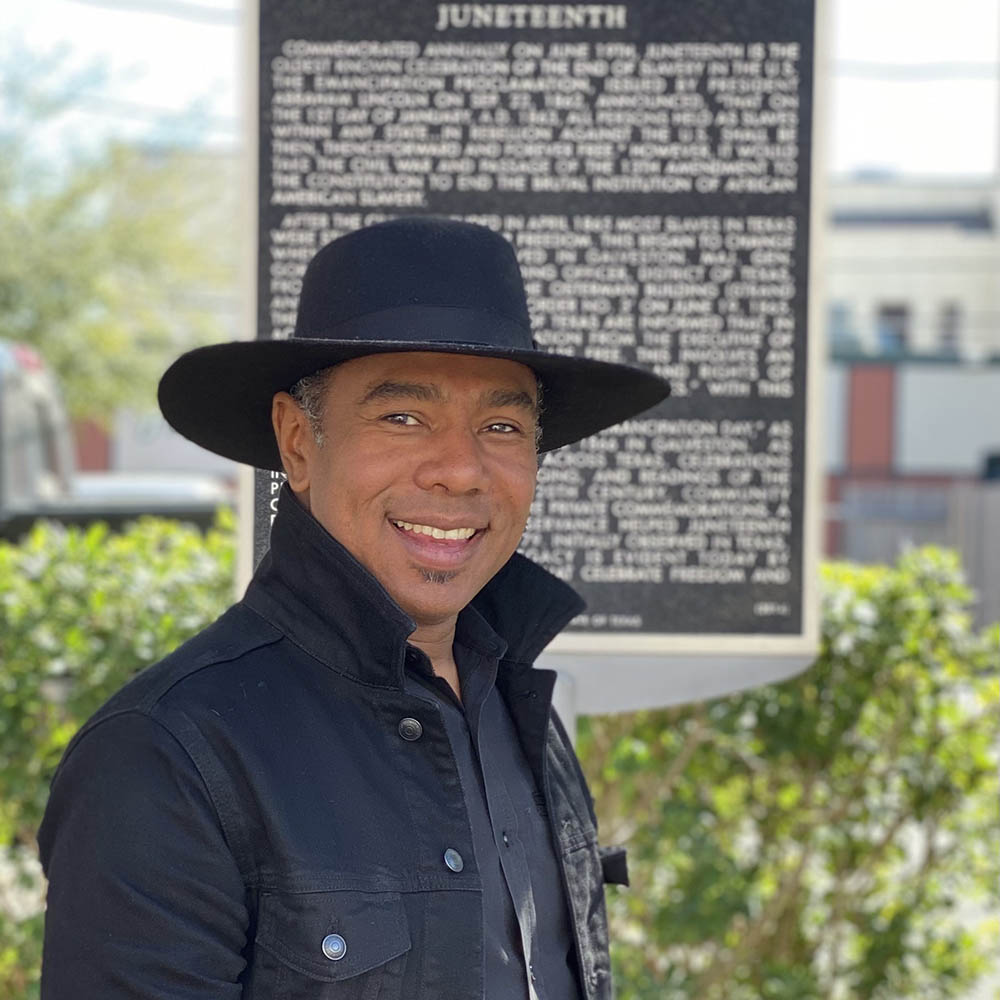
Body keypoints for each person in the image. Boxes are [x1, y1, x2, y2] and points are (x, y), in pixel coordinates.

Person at [37, 216, 671, 999]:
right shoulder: (168, 753)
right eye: (402, 418)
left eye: (501, 426)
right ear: (299, 443)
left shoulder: (516, 705)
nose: (460, 471)